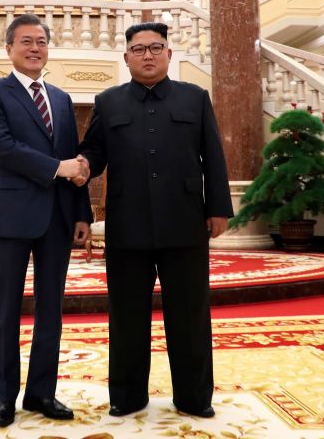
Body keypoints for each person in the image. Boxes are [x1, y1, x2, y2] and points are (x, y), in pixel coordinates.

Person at [77, 22, 232, 419]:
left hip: (185, 223)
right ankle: (127, 396)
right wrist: (80, 169)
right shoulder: (108, 102)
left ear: (168, 53)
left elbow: (212, 156)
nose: (148, 55)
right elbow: (93, 155)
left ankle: (195, 398)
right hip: (127, 227)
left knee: (191, 314)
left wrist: (217, 209)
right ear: (126, 57)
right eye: (139, 49)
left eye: (156, 47)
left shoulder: (194, 98)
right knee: (127, 315)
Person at [0, 13, 92, 428]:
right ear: (9, 48)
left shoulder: (60, 97)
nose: (34, 48)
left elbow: (73, 153)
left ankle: (42, 393)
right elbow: (2, 149)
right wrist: (58, 169)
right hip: (10, 217)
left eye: (41, 41)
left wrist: (82, 213)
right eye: (26, 41)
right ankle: (4, 397)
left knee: (51, 311)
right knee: (3, 311)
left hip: (58, 220)